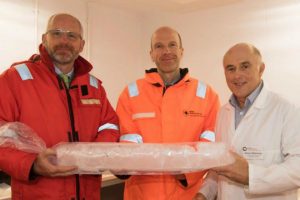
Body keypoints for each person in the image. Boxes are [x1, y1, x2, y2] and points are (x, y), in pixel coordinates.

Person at [0, 13, 119, 200]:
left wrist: (97, 153)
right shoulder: (14, 80)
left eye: (72, 35)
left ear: (81, 44)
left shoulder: (94, 86)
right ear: (44, 39)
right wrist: (32, 164)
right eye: (56, 33)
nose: (64, 41)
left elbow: (110, 125)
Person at [116, 26, 220, 200]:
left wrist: (189, 173)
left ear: (181, 51)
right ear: (151, 54)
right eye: (159, 46)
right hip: (141, 194)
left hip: (189, 194)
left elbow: (211, 146)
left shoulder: (206, 94)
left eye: (172, 45)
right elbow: (125, 142)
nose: (166, 51)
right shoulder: (131, 93)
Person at [196, 43, 300, 200]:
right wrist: (204, 193)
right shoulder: (223, 113)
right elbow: (220, 165)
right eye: (231, 69)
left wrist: (251, 176)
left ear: (261, 68)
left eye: (245, 66)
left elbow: (297, 168)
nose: (237, 75)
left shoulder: (286, 109)